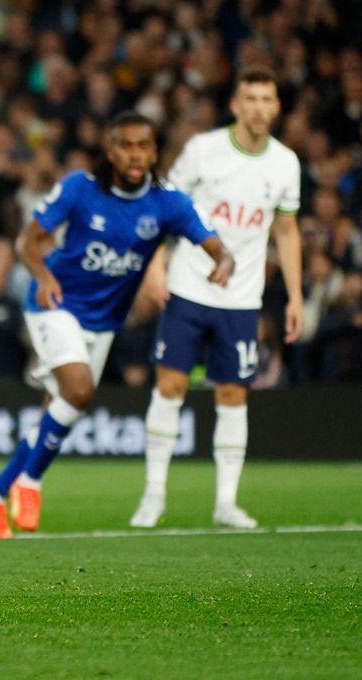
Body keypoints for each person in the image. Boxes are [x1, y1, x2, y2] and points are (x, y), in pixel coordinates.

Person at [0, 111, 235, 539]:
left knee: (58, 413)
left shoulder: (168, 203)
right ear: (111, 151)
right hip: (54, 304)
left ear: (154, 153)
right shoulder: (81, 188)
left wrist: (223, 262)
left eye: (144, 146)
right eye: (126, 146)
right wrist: (43, 275)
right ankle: (29, 483)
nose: (135, 155)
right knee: (78, 392)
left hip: (104, 323)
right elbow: (27, 241)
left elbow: (215, 245)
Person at [130, 67, 303, 530]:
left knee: (232, 394)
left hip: (243, 299)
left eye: (267, 99)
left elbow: (286, 231)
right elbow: (163, 207)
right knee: (170, 388)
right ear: (235, 105)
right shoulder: (203, 151)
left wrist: (296, 295)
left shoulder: (285, 163)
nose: (259, 107)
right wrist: (155, 264)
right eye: (251, 98)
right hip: (188, 288)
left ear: (277, 106)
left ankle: (226, 502)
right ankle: (154, 495)